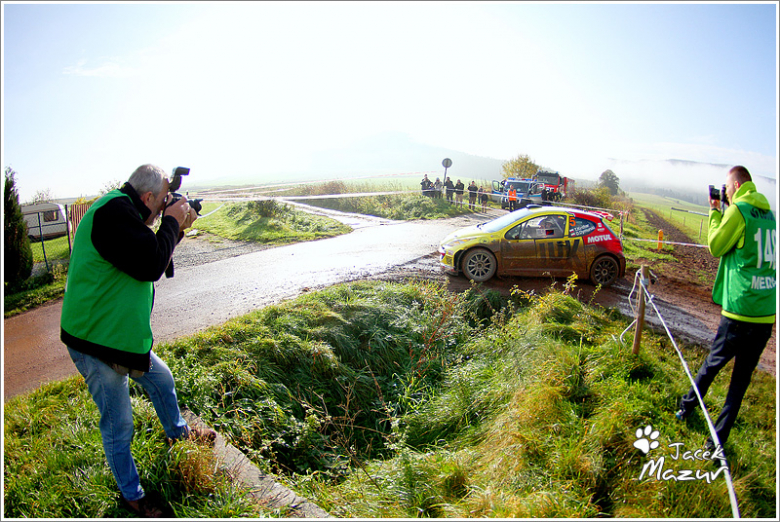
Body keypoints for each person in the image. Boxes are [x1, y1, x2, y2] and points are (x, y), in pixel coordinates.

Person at [60, 164, 215, 518]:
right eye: (160, 204)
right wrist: (171, 222)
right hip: (96, 342)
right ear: (147, 197)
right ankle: (133, 496)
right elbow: (151, 264)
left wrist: (176, 227)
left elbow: (150, 252)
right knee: (120, 426)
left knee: (162, 380)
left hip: (119, 336)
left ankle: (178, 433)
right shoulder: (114, 213)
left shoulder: (123, 212)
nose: (160, 211)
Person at [675, 166, 776, 452]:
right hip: (765, 312)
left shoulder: (738, 211)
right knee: (740, 383)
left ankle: (686, 407)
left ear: (736, 185)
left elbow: (716, 246)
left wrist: (715, 211)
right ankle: (716, 443)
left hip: (740, 311)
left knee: (712, 364)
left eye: (728, 187)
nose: (726, 192)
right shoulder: (769, 215)